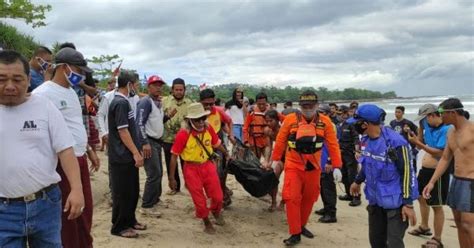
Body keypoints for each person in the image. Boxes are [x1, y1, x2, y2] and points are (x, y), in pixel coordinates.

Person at [0, 50, 84, 247]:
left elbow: (65, 150)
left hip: (45, 203)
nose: (10, 86)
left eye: (17, 79)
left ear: (29, 79)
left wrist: (77, 189)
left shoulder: (44, 106)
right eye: (2, 79)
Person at [33, 47, 96, 248]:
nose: (82, 75)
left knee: (85, 212)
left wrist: (89, 150)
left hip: (80, 158)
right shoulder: (42, 94)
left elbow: (75, 124)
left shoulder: (71, 92)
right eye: (79, 70)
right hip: (62, 163)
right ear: (64, 67)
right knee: (69, 214)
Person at [270, 90, 342, 246]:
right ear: (300, 106)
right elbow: (281, 140)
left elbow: (333, 144)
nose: (308, 108)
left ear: (316, 105)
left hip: (314, 167)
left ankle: (301, 225)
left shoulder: (325, 122)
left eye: (311, 105)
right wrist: (275, 159)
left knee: (310, 198)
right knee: (292, 198)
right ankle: (295, 233)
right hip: (293, 166)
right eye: (304, 105)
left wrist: (337, 166)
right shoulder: (290, 120)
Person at [349, 104, 418, 248]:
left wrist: (408, 203)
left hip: (396, 202)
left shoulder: (396, 142)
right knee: (376, 241)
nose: (355, 126)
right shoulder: (366, 140)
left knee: (393, 243)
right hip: (375, 199)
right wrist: (357, 181)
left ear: (365, 124)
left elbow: (408, 173)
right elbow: (367, 162)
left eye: (357, 123)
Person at [168, 103, 229, 234]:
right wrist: (172, 177)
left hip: (208, 165)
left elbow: (217, 144)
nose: (201, 122)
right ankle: (206, 221)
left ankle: (215, 211)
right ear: (189, 120)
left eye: (203, 118)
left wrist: (226, 153)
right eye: (197, 119)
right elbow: (174, 156)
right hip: (191, 169)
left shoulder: (209, 129)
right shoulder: (183, 134)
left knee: (218, 196)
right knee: (199, 200)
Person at [422, 98, 474, 248]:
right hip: (456, 181)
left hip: (471, 182)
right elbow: (445, 159)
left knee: (468, 224)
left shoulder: (472, 130)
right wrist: (432, 182)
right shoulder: (451, 132)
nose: (439, 116)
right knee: (459, 223)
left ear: (452, 112)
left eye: (441, 113)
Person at [406, 104, 451, 247]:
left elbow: (439, 153)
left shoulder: (446, 129)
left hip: (437, 172)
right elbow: (419, 146)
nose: (424, 122)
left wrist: (418, 142)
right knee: (420, 197)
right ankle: (424, 226)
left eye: (425, 119)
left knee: (436, 204)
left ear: (432, 115)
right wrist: (418, 134)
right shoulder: (425, 123)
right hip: (425, 169)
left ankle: (437, 239)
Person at [107, 70, 145, 238]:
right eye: (136, 85)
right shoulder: (120, 103)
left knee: (132, 190)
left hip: (126, 156)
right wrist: (136, 153)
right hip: (121, 156)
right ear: (129, 85)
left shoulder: (124, 102)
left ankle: (130, 220)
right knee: (122, 193)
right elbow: (123, 132)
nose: (136, 88)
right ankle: (119, 227)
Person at [136, 75, 170, 217]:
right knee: (153, 173)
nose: (158, 87)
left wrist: (168, 117)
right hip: (148, 141)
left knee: (159, 172)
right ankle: (147, 205)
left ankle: (155, 199)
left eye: (160, 85)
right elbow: (139, 123)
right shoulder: (145, 102)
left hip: (157, 141)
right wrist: (144, 143)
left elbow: (156, 121)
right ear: (149, 87)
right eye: (155, 85)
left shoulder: (158, 102)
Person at [200, 88, 236, 207]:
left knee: (220, 173)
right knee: (208, 175)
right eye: (206, 104)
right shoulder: (197, 114)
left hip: (219, 147)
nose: (209, 106)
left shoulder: (218, 111)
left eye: (212, 103)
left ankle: (223, 195)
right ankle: (222, 192)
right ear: (200, 102)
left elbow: (230, 121)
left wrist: (231, 134)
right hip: (203, 148)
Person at [162, 78, 191, 195]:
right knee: (170, 163)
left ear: (184, 90)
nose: (179, 92)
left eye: (181, 89)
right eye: (176, 89)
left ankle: (189, 184)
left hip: (185, 140)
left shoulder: (190, 103)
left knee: (186, 163)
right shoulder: (165, 101)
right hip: (168, 139)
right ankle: (175, 187)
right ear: (172, 90)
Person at [314, 104, 342, 223]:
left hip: (327, 161)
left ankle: (331, 213)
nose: (319, 115)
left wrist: (331, 161)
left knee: (328, 188)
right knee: (323, 187)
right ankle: (326, 208)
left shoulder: (331, 126)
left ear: (327, 114)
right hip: (320, 160)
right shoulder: (319, 125)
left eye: (322, 112)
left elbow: (334, 145)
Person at [337, 105, 361, 207]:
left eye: (342, 113)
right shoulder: (339, 125)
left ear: (346, 114)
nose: (340, 115)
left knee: (352, 176)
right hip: (341, 153)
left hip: (350, 154)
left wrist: (357, 151)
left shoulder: (351, 125)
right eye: (339, 114)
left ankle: (356, 197)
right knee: (345, 176)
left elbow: (356, 138)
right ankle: (349, 194)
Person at [261, 109, 284, 211]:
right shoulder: (267, 131)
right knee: (274, 177)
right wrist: (267, 161)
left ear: (277, 120)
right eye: (267, 121)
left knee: (289, 182)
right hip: (277, 156)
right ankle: (274, 201)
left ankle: (284, 201)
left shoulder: (284, 130)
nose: (269, 123)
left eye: (271, 121)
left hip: (289, 156)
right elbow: (268, 146)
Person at [389, 105, 418, 170]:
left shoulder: (408, 122)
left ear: (403, 113)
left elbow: (416, 132)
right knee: (399, 165)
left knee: (410, 165)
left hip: (407, 147)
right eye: (396, 112)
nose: (396, 114)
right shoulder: (392, 122)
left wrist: (408, 131)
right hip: (396, 147)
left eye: (399, 112)